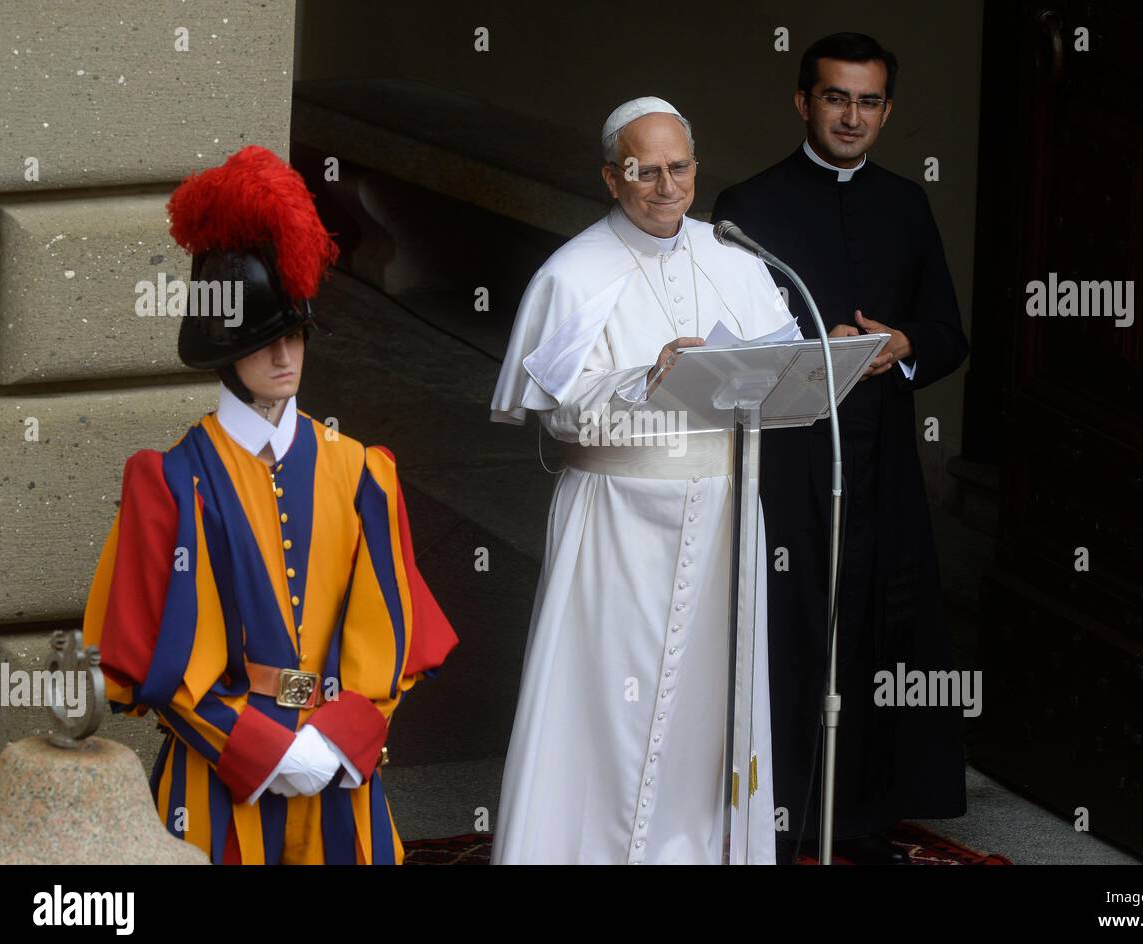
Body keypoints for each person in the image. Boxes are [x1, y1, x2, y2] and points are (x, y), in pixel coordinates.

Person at [82, 145, 458, 864]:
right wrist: (261, 749)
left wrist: (335, 737)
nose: (285, 356)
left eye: (294, 335)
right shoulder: (170, 482)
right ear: (224, 349)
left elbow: (391, 637)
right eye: (263, 341)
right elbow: (162, 661)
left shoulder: (360, 472)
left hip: (340, 774)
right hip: (219, 780)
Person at [489, 97, 797, 864]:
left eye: (680, 166)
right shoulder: (574, 273)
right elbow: (558, 414)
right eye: (645, 170)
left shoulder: (738, 258)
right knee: (602, 708)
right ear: (611, 176)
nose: (667, 186)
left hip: (725, 515)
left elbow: (784, 371)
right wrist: (646, 376)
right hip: (617, 523)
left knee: (708, 710)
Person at [713, 32, 969, 864]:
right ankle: (773, 812)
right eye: (835, 97)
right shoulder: (747, 209)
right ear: (803, 102)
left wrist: (901, 344)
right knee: (785, 626)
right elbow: (722, 347)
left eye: (868, 102)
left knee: (872, 631)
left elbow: (947, 334)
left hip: (882, 460)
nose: (852, 116)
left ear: (886, 111)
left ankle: (860, 817)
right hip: (787, 462)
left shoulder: (906, 202)